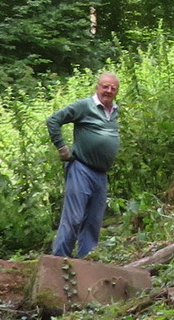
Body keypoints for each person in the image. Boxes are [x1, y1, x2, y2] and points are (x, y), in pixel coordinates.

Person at [44, 72, 122, 258]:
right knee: (74, 217)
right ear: (97, 87)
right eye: (105, 86)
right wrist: (62, 147)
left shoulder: (114, 111)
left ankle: (86, 261)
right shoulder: (85, 106)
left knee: (93, 222)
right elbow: (53, 120)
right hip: (81, 168)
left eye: (113, 88)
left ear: (116, 91)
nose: (109, 91)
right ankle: (59, 260)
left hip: (101, 173)